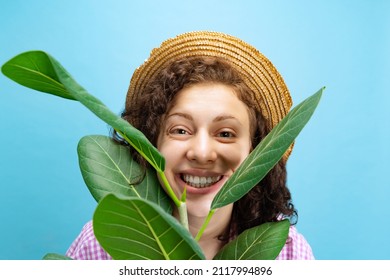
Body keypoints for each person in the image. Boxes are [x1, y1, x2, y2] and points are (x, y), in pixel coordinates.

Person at [66, 31, 314, 260]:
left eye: (225, 133)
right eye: (180, 130)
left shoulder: (289, 253)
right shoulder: (100, 244)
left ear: (255, 150)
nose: (202, 153)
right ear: (152, 144)